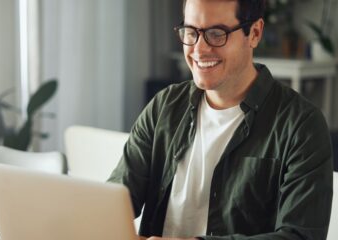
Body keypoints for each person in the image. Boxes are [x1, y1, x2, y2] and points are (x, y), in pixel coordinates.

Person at [109, 0, 333, 239]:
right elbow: (114, 201)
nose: (199, 49)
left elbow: (299, 236)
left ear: (255, 33)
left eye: (217, 34)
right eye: (191, 32)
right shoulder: (164, 107)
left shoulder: (302, 126)